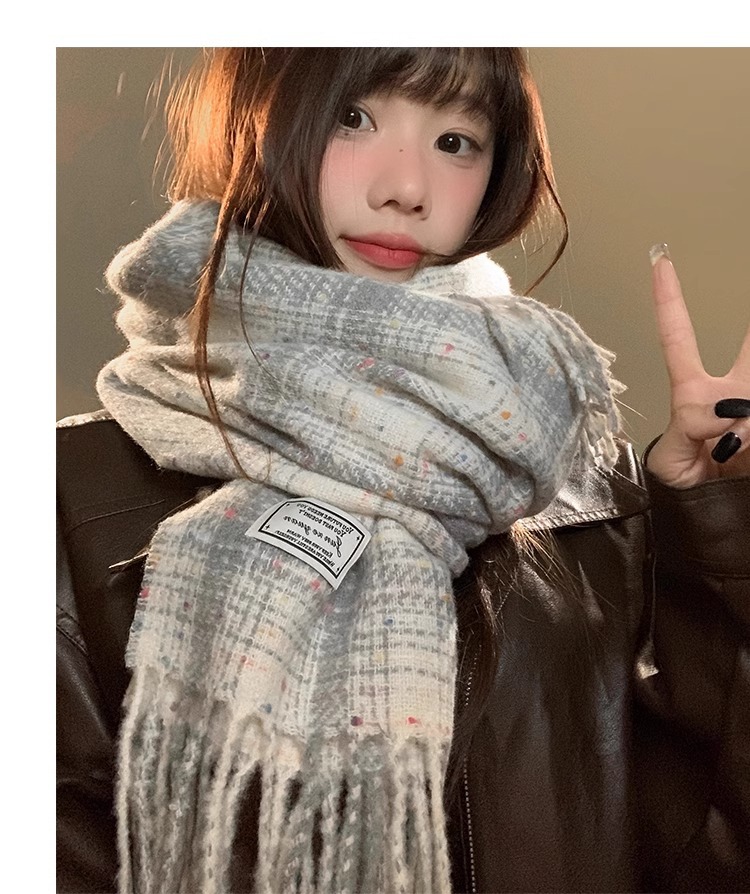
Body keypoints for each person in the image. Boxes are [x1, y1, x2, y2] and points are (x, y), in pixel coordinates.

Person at [56, 47, 750, 894]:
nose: (408, 188)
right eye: (354, 119)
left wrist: (718, 525)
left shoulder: (577, 482)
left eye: (457, 141)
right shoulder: (70, 493)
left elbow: (697, 845)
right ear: (250, 125)